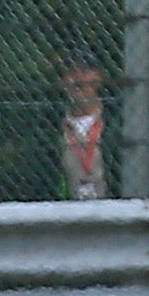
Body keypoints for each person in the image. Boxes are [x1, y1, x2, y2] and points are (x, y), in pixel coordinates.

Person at [51, 51, 114, 200]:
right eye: (71, 72)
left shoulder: (116, 122)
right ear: (62, 82)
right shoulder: (52, 127)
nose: (78, 79)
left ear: (98, 78)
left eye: (85, 71)